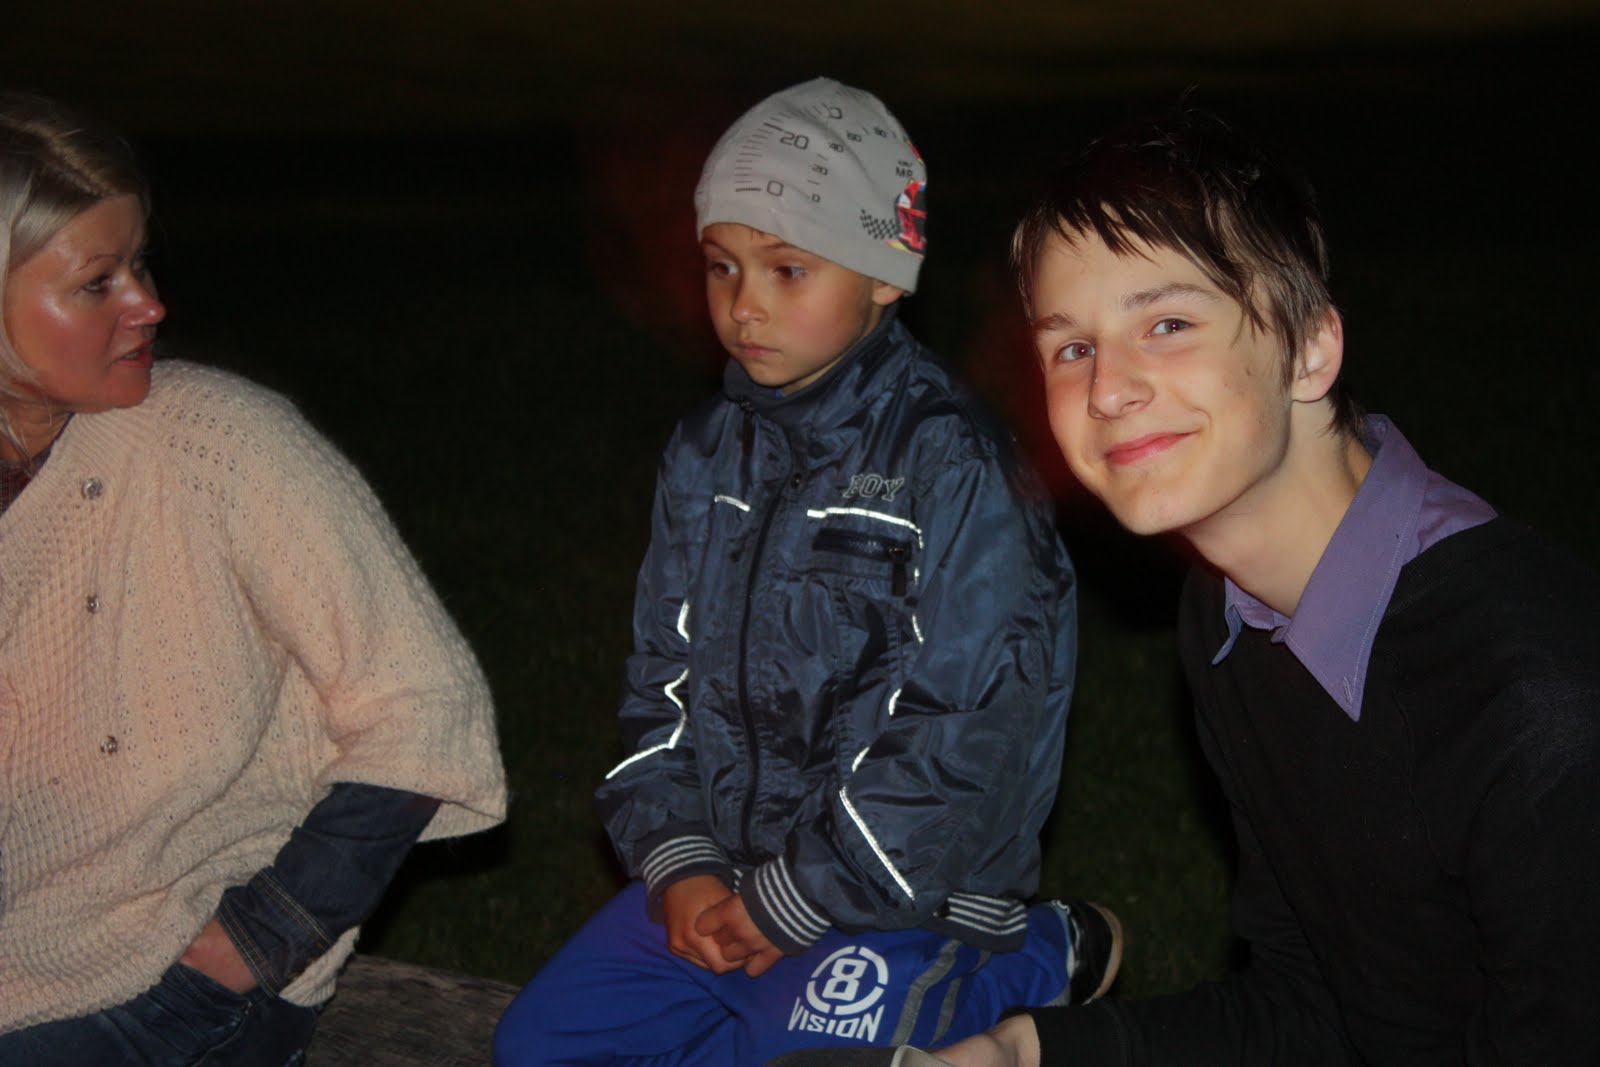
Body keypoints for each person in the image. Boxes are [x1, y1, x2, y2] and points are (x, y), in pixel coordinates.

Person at [785, 104, 1600, 1066]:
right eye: (1072, 347)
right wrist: (1020, 1050)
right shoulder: (1230, 613)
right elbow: (1314, 1006)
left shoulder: (1535, 701)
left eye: (1167, 324)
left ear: (1310, 347)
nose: (1107, 390)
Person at [492, 77, 1118, 1066]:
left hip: (905, 892)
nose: (744, 305)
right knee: (541, 1046)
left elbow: (968, 730)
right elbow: (659, 682)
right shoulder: (706, 454)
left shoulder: (956, 467)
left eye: (787, 268)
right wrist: (680, 862)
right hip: (732, 881)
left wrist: (797, 895)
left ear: (883, 274)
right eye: (722, 266)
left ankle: (1027, 958)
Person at [0, 92, 507, 1066]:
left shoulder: (220, 443)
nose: (149, 304)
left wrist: (260, 939)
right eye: (97, 283)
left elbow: (425, 709)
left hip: (169, 986)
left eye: (139, 263)